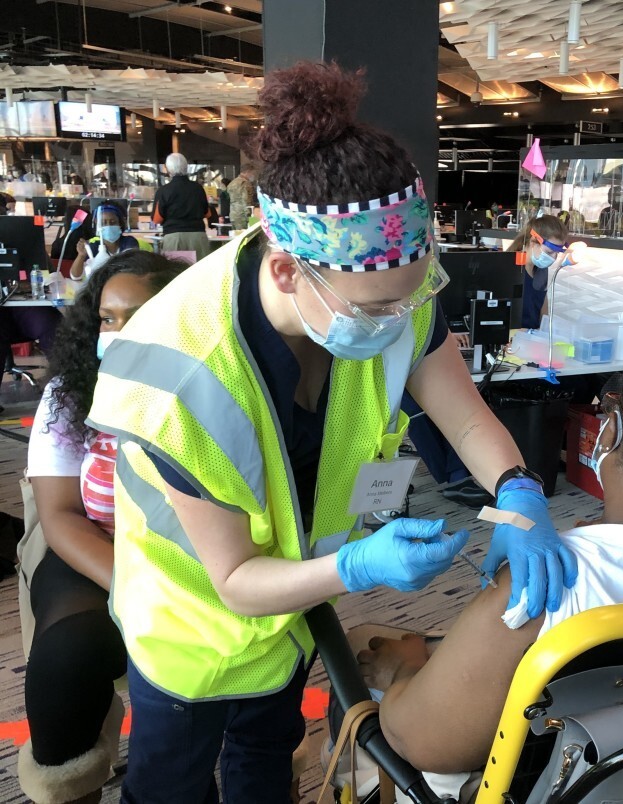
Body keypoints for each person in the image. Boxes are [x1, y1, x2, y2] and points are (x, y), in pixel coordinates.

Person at [85, 61, 577, 803]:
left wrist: (519, 492)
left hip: (291, 618)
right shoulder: (184, 374)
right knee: (170, 786)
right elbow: (234, 581)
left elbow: (465, 413)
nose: (397, 324)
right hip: (190, 628)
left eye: (410, 300)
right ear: (287, 272)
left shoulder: (389, 285)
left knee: (267, 766)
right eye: (378, 309)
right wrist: (359, 568)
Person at [356, 302, 623, 777]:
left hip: (559, 778)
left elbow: (424, 742)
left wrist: (401, 670)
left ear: (611, 426)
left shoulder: (545, 584)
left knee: (358, 641)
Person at [17, 252, 186, 804]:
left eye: (137, 316)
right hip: (93, 546)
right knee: (69, 655)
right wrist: (136, 589)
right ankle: (69, 786)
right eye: (108, 319)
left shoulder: (214, 385)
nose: (118, 332)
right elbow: (60, 514)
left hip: (197, 555)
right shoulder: (69, 393)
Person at [508, 216, 568, 330]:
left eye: (557, 253)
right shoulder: (509, 270)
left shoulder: (541, 271)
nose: (553, 258)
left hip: (531, 341)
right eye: (550, 252)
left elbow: (544, 315)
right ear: (533, 242)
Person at [151, 152, 210, 260]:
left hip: (174, 237)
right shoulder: (198, 188)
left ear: (168, 170)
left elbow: (156, 219)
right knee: (201, 273)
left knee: (176, 273)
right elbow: (207, 213)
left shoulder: (163, 191)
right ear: (186, 167)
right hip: (198, 236)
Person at [69, 204, 140, 281]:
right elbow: (75, 276)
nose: (108, 226)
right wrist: (81, 255)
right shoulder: (93, 246)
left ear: (120, 224)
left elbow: (130, 267)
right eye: (103, 223)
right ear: (97, 226)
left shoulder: (129, 242)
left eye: (113, 222)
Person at [226, 163, 258, 230]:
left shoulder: (232, 183)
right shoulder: (245, 183)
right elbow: (246, 201)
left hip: (233, 215)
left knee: (236, 236)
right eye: (252, 173)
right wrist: (250, 216)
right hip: (243, 216)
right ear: (247, 172)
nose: (253, 175)